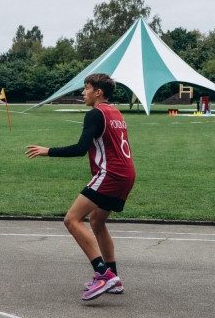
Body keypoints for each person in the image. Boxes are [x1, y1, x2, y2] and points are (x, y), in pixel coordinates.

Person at [25, 73, 136, 301]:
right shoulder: (115, 112)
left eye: (87, 88)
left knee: (71, 219)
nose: (83, 93)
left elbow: (80, 148)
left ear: (98, 92)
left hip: (110, 174)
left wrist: (48, 151)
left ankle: (103, 274)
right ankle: (114, 277)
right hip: (126, 174)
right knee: (97, 221)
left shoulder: (95, 113)